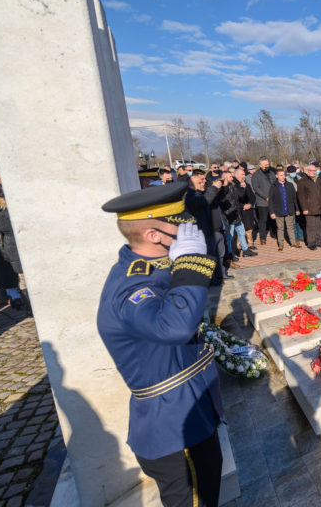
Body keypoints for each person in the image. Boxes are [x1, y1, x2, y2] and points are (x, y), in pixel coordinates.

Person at [98, 183, 223, 506]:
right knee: (190, 496)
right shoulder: (130, 287)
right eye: (178, 223)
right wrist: (191, 265)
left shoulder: (158, 264)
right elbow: (176, 327)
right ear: (154, 235)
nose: (188, 227)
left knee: (210, 478)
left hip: (190, 401)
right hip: (170, 417)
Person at [269, 169, 301, 252]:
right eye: (280, 175)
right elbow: (271, 201)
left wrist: (297, 209)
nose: (283, 177)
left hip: (289, 210)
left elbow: (294, 198)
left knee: (290, 227)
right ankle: (281, 244)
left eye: (283, 175)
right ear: (276, 176)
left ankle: (293, 243)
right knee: (280, 228)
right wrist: (272, 212)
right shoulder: (273, 186)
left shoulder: (290, 185)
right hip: (278, 211)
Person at [297, 164, 321, 250]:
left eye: (314, 170)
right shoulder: (302, 181)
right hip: (309, 208)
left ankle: (318, 241)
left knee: (319, 225)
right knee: (311, 226)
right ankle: (311, 243)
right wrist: (304, 209)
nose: (313, 172)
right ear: (307, 171)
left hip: (319, 206)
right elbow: (301, 196)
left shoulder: (318, 180)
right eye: (311, 170)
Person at [251, 157, 273, 245]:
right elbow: (256, 188)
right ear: (260, 165)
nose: (267, 166)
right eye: (265, 165)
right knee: (263, 220)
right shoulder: (256, 175)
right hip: (262, 201)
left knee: (273, 218)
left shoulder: (271, 173)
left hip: (273, 200)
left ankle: (274, 234)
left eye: (268, 164)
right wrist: (265, 197)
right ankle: (262, 238)